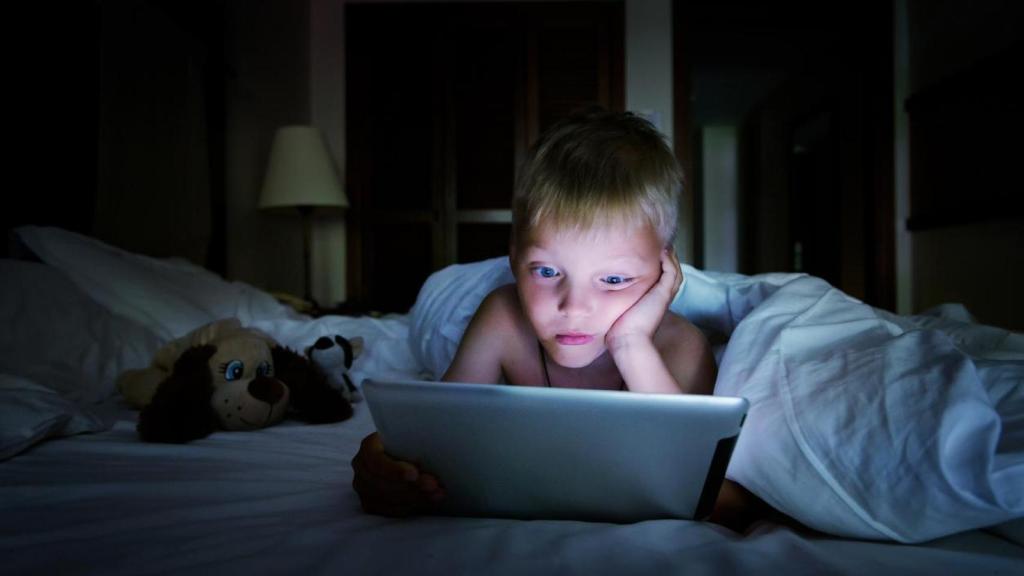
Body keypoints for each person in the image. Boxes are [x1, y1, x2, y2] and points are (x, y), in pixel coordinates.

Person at [352, 109, 769, 529]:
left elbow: (715, 494)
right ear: (514, 259)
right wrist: (383, 461)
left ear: (663, 273)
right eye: (547, 271)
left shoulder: (682, 348)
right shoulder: (502, 318)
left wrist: (631, 344)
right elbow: (436, 435)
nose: (573, 307)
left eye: (613, 279)